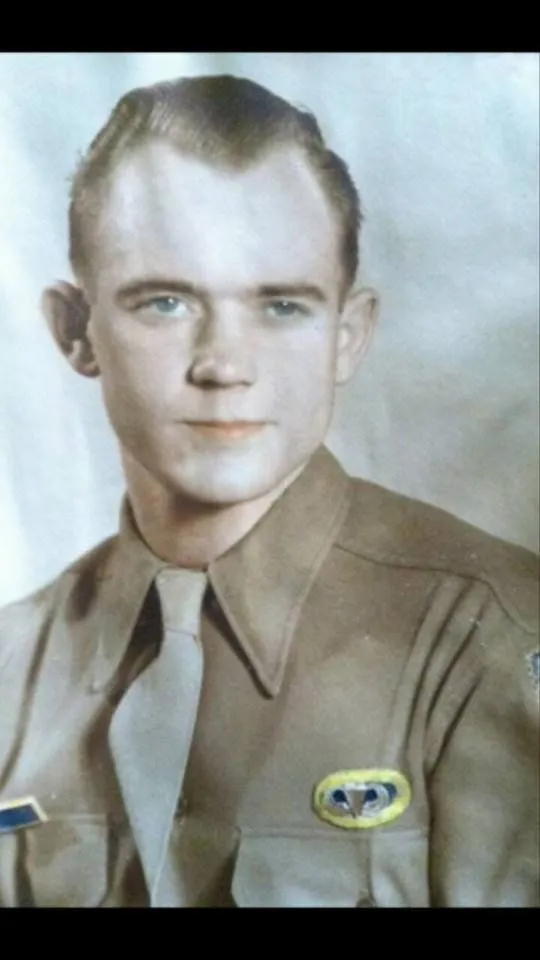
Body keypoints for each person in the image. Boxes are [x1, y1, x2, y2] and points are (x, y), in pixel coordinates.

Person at [0, 74, 538, 908]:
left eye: (282, 306)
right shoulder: (12, 669)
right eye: (165, 302)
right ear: (77, 331)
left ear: (347, 336)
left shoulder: (489, 639)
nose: (225, 366)